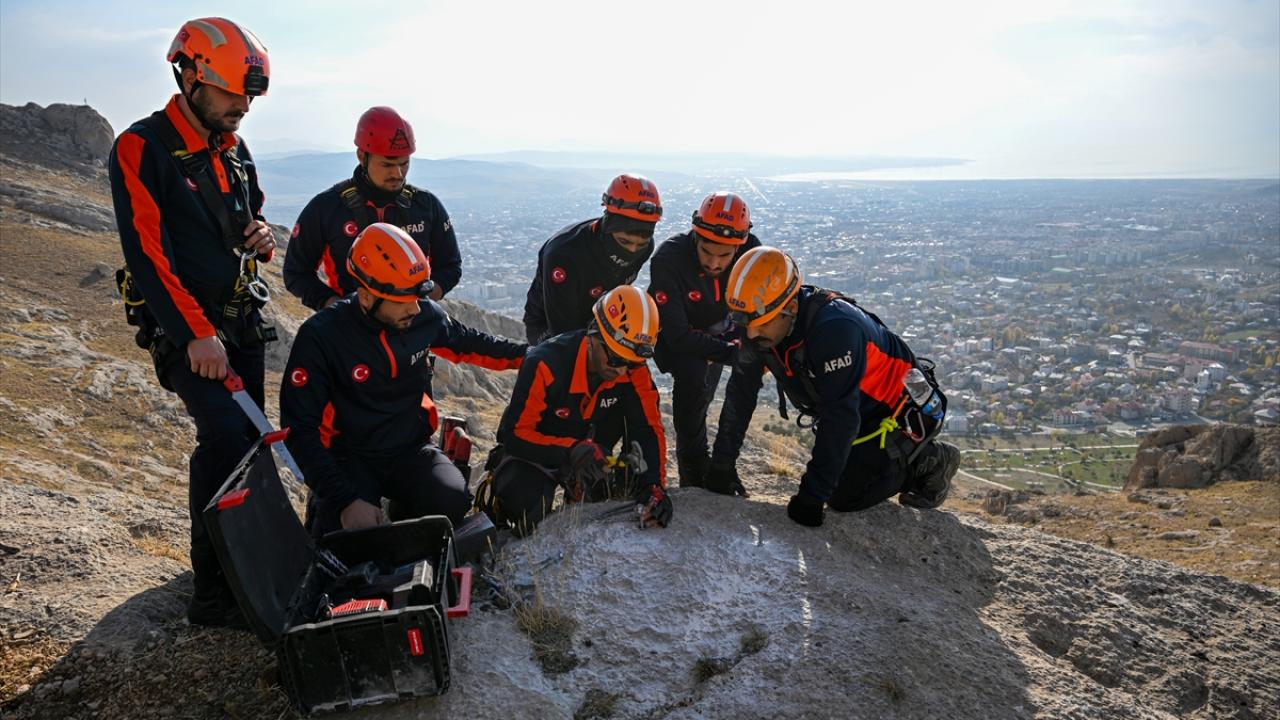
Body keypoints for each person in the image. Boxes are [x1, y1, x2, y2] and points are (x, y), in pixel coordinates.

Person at [110, 17, 275, 628]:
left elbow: (247, 218)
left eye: (250, 96)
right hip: (189, 329)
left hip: (239, 322)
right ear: (191, 74)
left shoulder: (232, 150)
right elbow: (147, 255)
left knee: (252, 444)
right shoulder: (141, 147)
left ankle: (248, 563)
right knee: (226, 440)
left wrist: (259, 237)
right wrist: (194, 334)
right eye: (234, 93)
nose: (243, 107)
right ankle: (212, 592)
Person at [280, 223, 526, 536]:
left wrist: (532, 355)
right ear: (367, 298)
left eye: (417, 297)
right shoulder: (322, 337)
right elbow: (299, 429)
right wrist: (345, 500)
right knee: (343, 542)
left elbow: (472, 344)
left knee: (451, 501)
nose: (415, 308)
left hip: (409, 450)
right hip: (349, 457)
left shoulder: (424, 315)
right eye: (403, 300)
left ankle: (400, 515)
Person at [714, 247, 961, 527]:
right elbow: (740, 394)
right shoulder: (761, 320)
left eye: (760, 325)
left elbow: (841, 417)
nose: (750, 334)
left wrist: (811, 497)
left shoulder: (833, 330)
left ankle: (929, 460)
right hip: (856, 408)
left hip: (899, 414)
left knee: (844, 497)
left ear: (791, 308)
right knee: (839, 474)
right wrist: (722, 466)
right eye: (742, 323)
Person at [487, 286, 671, 535]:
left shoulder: (632, 371)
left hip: (594, 457)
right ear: (594, 334)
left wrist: (655, 488)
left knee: (617, 495)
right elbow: (515, 435)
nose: (621, 370)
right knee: (523, 502)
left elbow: (649, 428)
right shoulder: (545, 363)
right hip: (537, 455)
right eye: (616, 359)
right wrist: (571, 451)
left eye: (632, 362)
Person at [284, 106, 462, 311]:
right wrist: (335, 307)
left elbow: (450, 266)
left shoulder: (426, 205)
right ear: (362, 156)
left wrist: (424, 301)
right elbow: (296, 273)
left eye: (404, 164)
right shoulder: (326, 208)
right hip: (352, 331)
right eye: (387, 165)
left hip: (412, 325)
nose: (398, 174)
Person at [647, 192, 761, 488]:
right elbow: (677, 336)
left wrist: (742, 349)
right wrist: (731, 352)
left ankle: (723, 465)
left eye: (724, 255)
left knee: (738, 382)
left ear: (740, 245)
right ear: (695, 237)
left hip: (722, 327)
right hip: (677, 336)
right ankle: (693, 468)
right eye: (707, 252)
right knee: (692, 383)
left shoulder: (752, 255)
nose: (714, 263)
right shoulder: (669, 259)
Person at [522, 174, 662, 344]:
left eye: (640, 244)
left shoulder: (645, 248)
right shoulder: (564, 254)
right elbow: (562, 329)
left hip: (598, 317)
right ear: (608, 226)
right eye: (624, 241)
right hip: (547, 324)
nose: (632, 250)